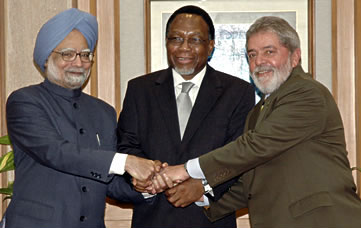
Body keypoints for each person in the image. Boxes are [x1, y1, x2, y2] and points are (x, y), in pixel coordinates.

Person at [158, 16, 361, 227]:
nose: (259, 61)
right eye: (252, 54)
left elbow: (255, 146)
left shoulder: (306, 93)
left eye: (269, 51)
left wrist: (185, 169)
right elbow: (251, 182)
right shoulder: (258, 112)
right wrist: (202, 195)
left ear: (295, 56)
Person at [5, 8, 159, 228]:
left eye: (85, 54)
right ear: (46, 58)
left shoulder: (104, 112)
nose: (78, 63)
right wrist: (127, 162)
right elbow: (56, 152)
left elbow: (110, 182)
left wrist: (147, 187)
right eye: (67, 54)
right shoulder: (25, 101)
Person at [116, 5, 255, 228]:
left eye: (195, 40)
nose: (184, 48)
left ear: (210, 46)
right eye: (176, 38)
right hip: (153, 219)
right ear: (166, 43)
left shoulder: (238, 92)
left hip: (210, 219)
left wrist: (204, 186)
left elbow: (241, 157)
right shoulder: (139, 90)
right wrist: (142, 176)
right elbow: (126, 146)